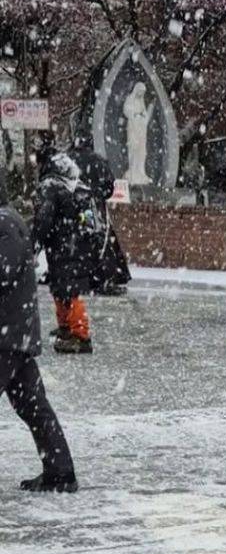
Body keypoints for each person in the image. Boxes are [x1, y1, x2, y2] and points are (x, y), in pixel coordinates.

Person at [0, 181, 78, 492]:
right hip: (14, 335)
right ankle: (60, 472)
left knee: (34, 406)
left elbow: (3, 271)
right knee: (32, 405)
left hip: (6, 337)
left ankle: (61, 472)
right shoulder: (8, 220)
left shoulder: (4, 223)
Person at [33, 152, 99, 354]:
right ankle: (68, 327)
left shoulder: (51, 186)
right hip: (76, 244)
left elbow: (44, 219)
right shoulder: (76, 186)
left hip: (61, 245)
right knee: (64, 286)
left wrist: (35, 243)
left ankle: (80, 334)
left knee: (66, 289)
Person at [69, 134, 131, 296]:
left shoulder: (67, 160)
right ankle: (103, 276)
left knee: (74, 239)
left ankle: (77, 275)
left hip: (72, 207)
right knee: (102, 241)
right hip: (94, 206)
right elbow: (109, 186)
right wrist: (98, 195)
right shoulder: (98, 161)